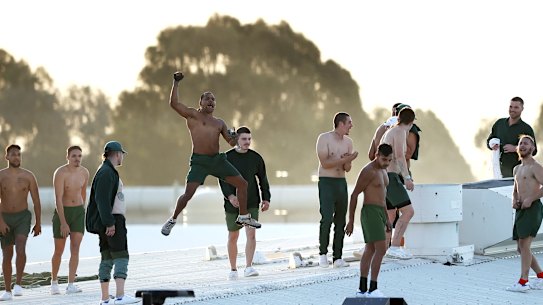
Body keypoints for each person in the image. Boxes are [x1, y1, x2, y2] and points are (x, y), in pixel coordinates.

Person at [161, 72, 260, 235]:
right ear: (200, 102)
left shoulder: (219, 123)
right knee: (188, 194)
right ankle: (172, 219)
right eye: (207, 98)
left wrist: (234, 137)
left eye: (213, 99)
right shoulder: (192, 114)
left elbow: (231, 142)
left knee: (242, 184)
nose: (211, 101)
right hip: (199, 161)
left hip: (217, 161)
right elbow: (174, 103)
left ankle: (243, 216)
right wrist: (176, 82)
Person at [85, 141, 138, 305]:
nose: (122, 157)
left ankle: (106, 299)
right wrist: (110, 223)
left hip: (110, 220)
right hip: (112, 220)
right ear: (116, 154)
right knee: (121, 254)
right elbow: (102, 201)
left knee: (107, 257)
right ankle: (120, 296)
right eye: (121, 154)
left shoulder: (107, 171)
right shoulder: (106, 172)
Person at [219, 127, 271, 280]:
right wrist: (230, 196)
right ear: (237, 140)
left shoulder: (256, 158)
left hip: (252, 202)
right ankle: (233, 269)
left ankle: (249, 267)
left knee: (251, 234)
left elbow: (263, 180)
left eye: (249, 139)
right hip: (232, 204)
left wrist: (266, 198)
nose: (247, 142)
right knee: (233, 236)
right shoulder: (226, 158)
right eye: (244, 139)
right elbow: (222, 179)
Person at [346, 143, 393, 298]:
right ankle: (373, 289)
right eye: (384, 159)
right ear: (377, 155)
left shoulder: (383, 170)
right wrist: (351, 221)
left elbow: (383, 197)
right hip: (370, 212)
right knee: (381, 249)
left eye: (389, 160)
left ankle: (362, 289)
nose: (387, 163)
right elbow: (354, 195)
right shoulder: (368, 171)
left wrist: (387, 218)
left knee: (370, 249)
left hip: (380, 212)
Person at [316, 112, 358, 268]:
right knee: (326, 217)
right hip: (326, 182)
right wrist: (345, 159)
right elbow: (325, 163)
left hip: (341, 182)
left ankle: (338, 256)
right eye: (349, 123)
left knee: (340, 219)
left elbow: (347, 168)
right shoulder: (324, 138)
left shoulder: (348, 142)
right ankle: (322, 254)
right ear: (341, 123)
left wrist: (349, 161)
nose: (351, 126)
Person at [0, 144, 42, 301]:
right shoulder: (1, 176)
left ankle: (18, 284)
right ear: (7, 157)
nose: (16, 157)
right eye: (13, 154)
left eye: (18, 154)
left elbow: (36, 201)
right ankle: (7, 290)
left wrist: (38, 223)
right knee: (6, 254)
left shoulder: (29, 176)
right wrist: (0, 222)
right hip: (4, 217)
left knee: (21, 247)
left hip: (22, 217)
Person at [50, 146, 89, 295]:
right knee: (59, 250)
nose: (77, 159)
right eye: (74, 156)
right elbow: (58, 199)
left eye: (79, 156)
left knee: (75, 248)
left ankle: (71, 284)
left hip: (78, 212)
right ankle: (54, 282)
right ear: (67, 157)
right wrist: (63, 222)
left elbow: (83, 192)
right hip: (63, 213)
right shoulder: (60, 173)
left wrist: (82, 211)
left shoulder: (84, 172)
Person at [506, 135, 543, 292]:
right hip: (520, 210)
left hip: (533, 209)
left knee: (525, 245)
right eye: (521, 143)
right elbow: (515, 189)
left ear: (532, 148)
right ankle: (541, 277)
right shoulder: (517, 168)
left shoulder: (536, 167)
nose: (522, 146)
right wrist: (514, 200)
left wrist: (531, 199)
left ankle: (523, 282)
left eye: (526, 144)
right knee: (521, 248)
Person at [379, 107, 416, 259]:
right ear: (411, 122)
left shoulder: (389, 131)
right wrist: (407, 178)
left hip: (382, 176)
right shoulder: (400, 132)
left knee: (391, 214)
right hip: (391, 177)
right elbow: (400, 156)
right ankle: (394, 247)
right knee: (408, 211)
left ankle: (383, 248)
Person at [487, 97, 537, 178]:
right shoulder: (499, 124)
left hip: (520, 175)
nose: (512, 109)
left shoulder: (526, 129)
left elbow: (534, 151)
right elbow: (489, 141)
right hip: (499, 174)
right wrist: (491, 145)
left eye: (516, 107)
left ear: (522, 109)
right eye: (511, 107)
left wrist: (516, 148)